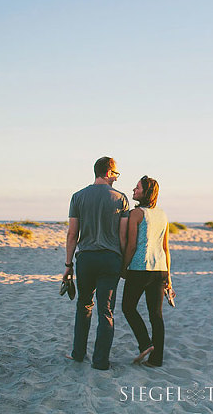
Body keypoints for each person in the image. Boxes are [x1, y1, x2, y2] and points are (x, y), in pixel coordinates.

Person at [64, 156, 130, 370]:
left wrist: (68, 265)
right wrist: (122, 262)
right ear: (109, 172)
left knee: (84, 305)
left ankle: (78, 353)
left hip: (86, 258)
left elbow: (72, 234)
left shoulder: (77, 196)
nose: (117, 178)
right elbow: (123, 236)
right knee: (106, 310)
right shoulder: (121, 199)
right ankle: (100, 361)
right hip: (110, 258)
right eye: (116, 174)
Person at [121, 175, 174, 367]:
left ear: (146, 193)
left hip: (139, 268)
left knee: (127, 307)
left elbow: (131, 246)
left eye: (137, 188)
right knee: (156, 315)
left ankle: (144, 343)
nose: (134, 190)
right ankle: (156, 359)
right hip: (159, 269)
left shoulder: (137, 214)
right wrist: (169, 276)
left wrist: (123, 267)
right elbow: (166, 248)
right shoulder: (163, 215)